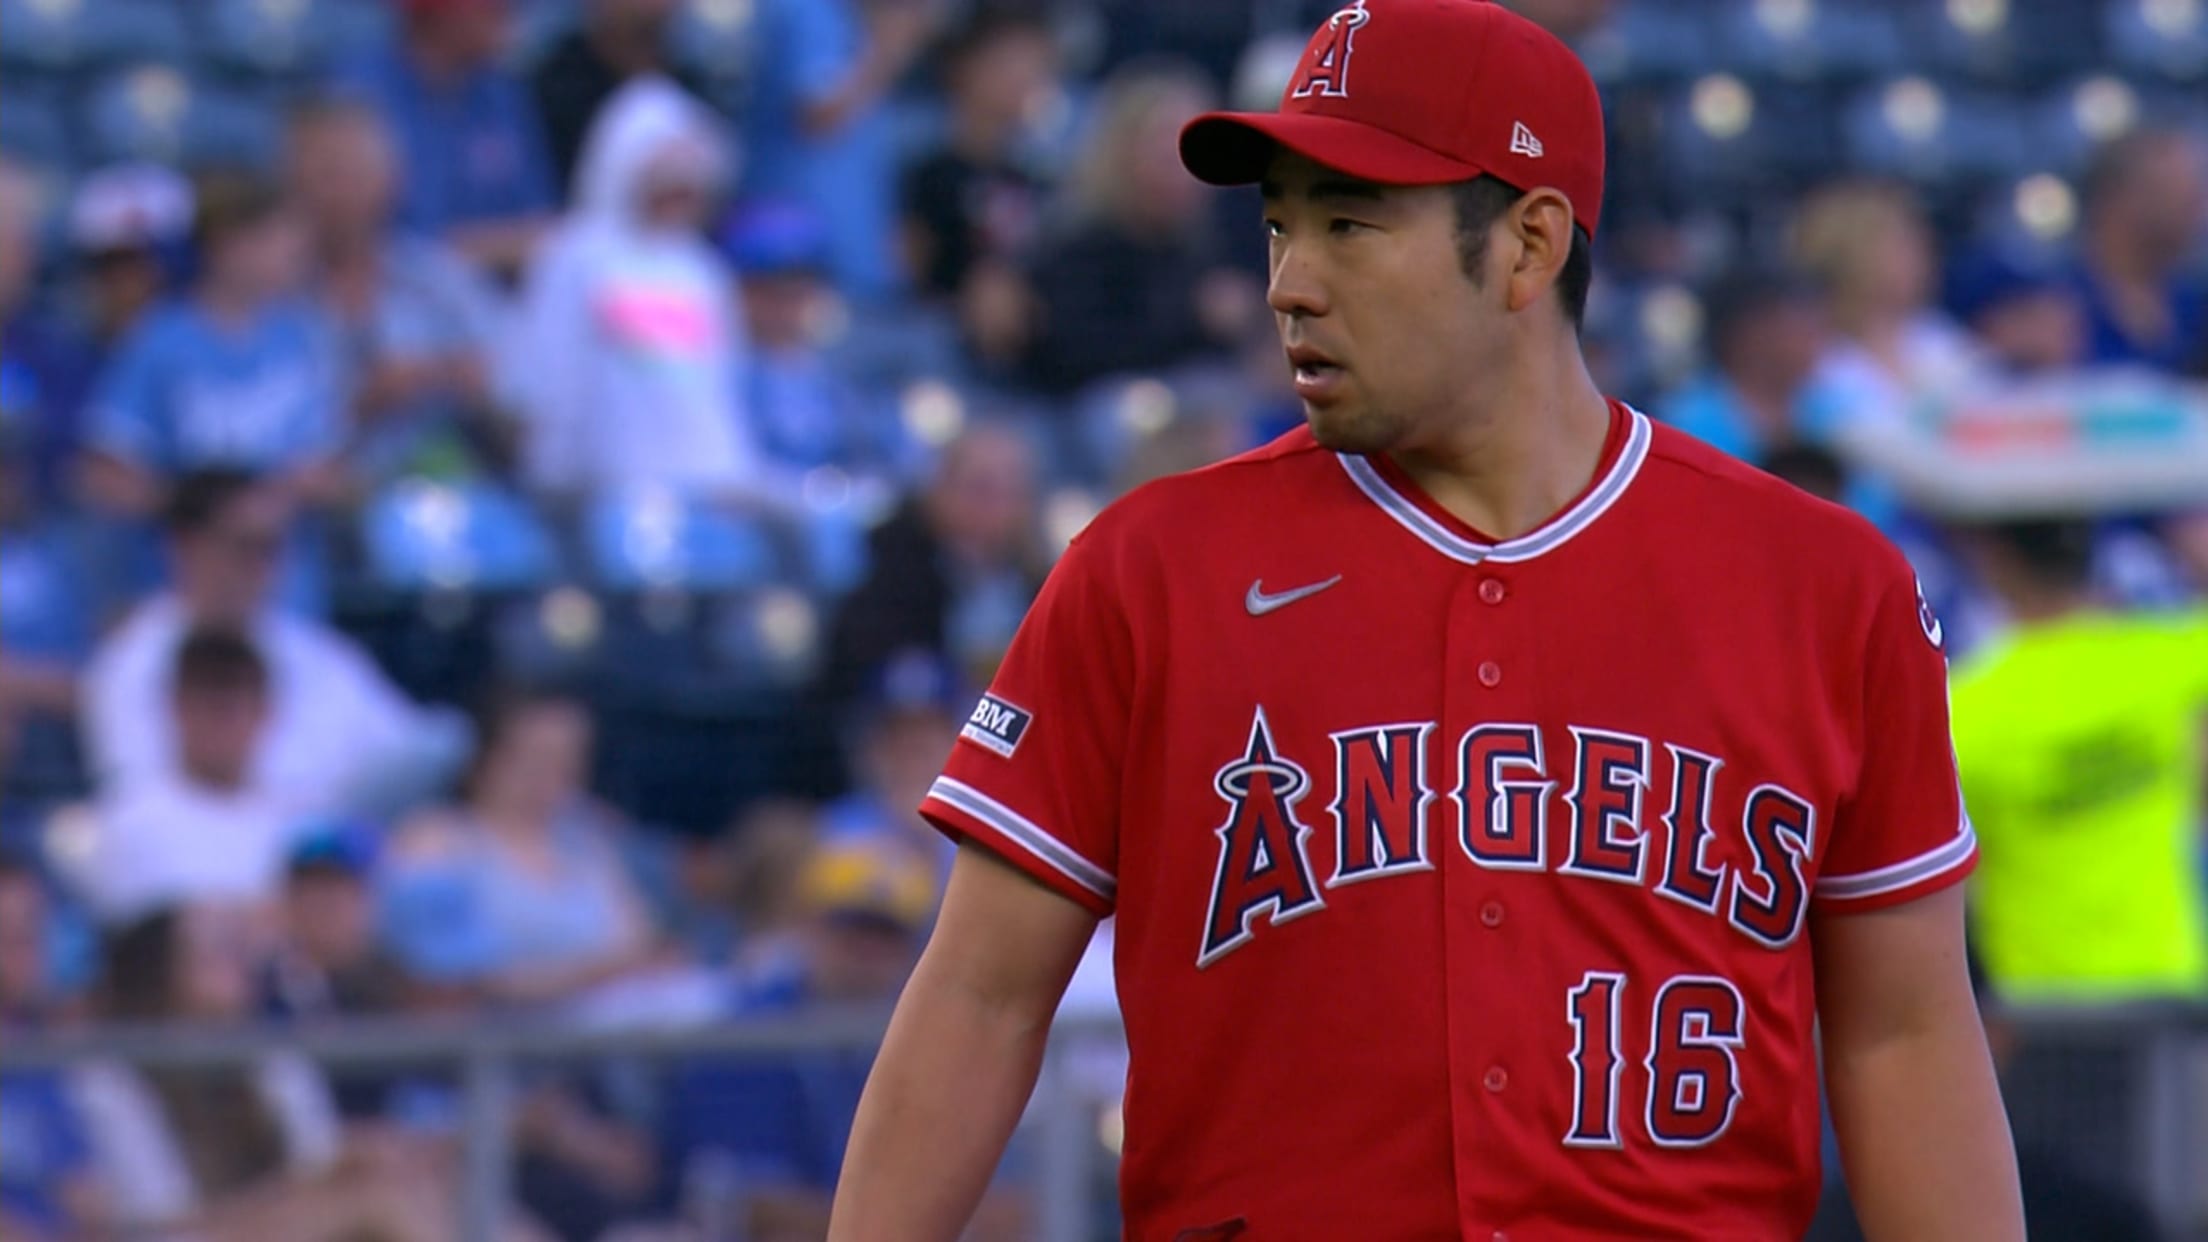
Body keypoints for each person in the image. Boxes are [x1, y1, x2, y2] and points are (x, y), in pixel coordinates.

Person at [829, 3, 2024, 1239]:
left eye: (1349, 224)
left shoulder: (1824, 586)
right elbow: (978, 998)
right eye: (1279, 225)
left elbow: (1905, 1033)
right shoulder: (1148, 570)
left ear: (1528, 245)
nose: (1290, 284)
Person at [80, 468, 472, 818]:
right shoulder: (131, 661)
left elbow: (410, 749)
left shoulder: (321, 653)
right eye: (245, 545)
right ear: (186, 545)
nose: (262, 567)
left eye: (273, 548)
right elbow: (137, 799)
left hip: (329, 859)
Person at [1947, 519, 2208, 1003]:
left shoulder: (1965, 709)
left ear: (1997, 564)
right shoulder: (2162, 661)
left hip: (2040, 1003)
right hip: (2168, 984)